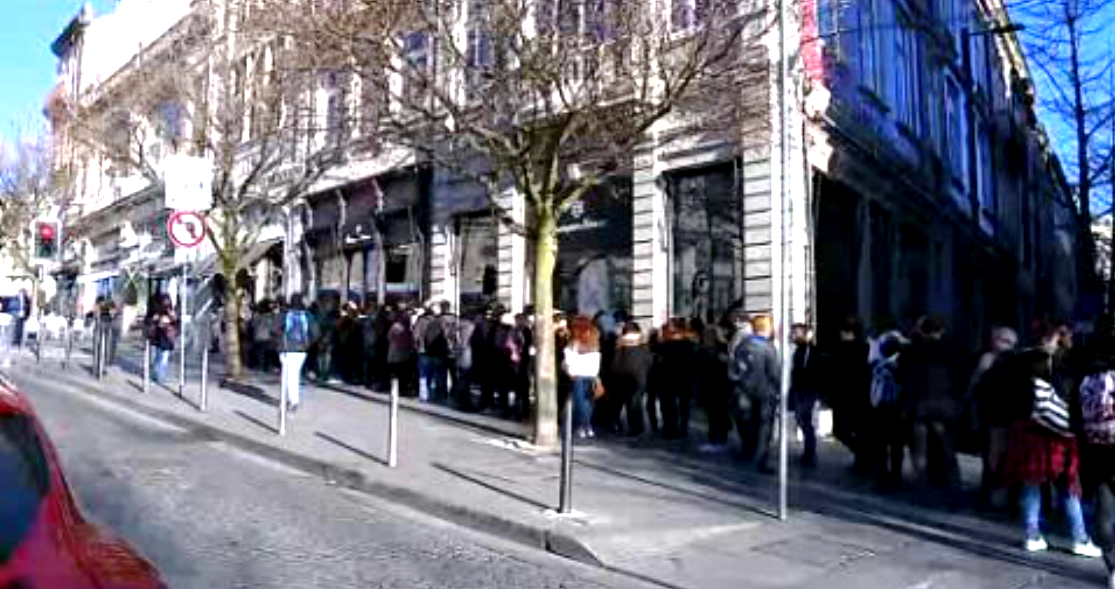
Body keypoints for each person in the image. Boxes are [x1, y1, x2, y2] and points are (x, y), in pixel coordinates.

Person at [1002, 322, 1100, 558]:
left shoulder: (1020, 361)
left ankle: (1032, 535)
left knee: (1032, 484)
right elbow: (1074, 399)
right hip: (1059, 433)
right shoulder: (1066, 365)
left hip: (1028, 430)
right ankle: (1079, 538)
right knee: (1068, 486)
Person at [899, 316, 962, 488]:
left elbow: (901, 375)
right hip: (946, 404)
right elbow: (960, 375)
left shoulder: (911, 350)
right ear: (942, 331)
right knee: (946, 446)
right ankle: (952, 480)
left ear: (921, 331)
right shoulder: (951, 350)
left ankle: (922, 480)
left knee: (919, 447)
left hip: (918, 404)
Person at [968, 326, 1019, 508]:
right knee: (1005, 453)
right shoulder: (1019, 359)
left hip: (996, 413)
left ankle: (996, 492)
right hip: (1010, 413)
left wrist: (969, 399)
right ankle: (1004, 493)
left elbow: (974, 383)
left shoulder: (988, 359)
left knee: (994, 454)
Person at [734, 315, 781, 472]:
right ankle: (761, 460)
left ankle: (747, 451)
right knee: (764, 427)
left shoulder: (742, 345)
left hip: (744, 390)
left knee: (747, 423)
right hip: (765, 393)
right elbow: (774, 372)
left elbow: (735, 369)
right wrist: (779, 389)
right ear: (766, 328)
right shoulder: (768, 347)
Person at [829, 316, 871, 474]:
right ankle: (863, 457)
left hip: (846, 397)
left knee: (842, 430)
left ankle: (863, 458)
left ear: (847, 332)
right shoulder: (865, 348)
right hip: (859, 397)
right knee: (859, 431)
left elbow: (837, 374)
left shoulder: (841, 350)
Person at [870, 334, 905, 490]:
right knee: (888, 444)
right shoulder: (881, 364)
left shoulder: (889, 364)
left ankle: (887, 476)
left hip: (889, 406)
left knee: (885, 444)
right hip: (888, 407)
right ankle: (889, 476)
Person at [656, 318, 698, 439]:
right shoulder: (690, 342)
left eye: (671, 325)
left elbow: (660, 361)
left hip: (671, 377)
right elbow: (694, 360)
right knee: (683, 404)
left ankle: (672, 429)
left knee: (672, 404)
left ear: (675, 327)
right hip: (685, 377)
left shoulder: (666, 343)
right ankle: (682, 428)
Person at [610, 322, 654, 437]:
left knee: (630, 401)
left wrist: (617, 375)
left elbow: (615, 363)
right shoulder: (643, 342)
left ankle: (635, 427)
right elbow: (649, 360)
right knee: (636, 401)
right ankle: (638, 426)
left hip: (625, 377)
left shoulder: (620, 343)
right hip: (640, 376)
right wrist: (645, 371)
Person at [697, 317, 733, 453]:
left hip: (719, 386)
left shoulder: (722, 349)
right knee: (713, 415)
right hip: (709, 385)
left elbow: (725, 367)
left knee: (719, 413)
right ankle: (714, 440)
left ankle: (720, 441)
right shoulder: (704, 350)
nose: (704, 336)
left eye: (707, 334)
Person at [563, 316, 601, 439]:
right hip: (592, 375)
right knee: (588, 403)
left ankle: (581, 427)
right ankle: (588, 427)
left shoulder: (574, 342)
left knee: (579, 403)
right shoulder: (594, 339)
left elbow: (569, 361)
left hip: (577, 375)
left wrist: (566, 368)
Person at [790, 323, 821, 467]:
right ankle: (809, 452)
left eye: (795, 333)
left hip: (806, 391)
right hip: (801, 390)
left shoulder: (809, 350)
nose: (792, 335)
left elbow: (809, 371)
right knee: (802, 420)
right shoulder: (799, 349)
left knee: (804, 421)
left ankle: (810, 453)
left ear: (804, 334)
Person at [279, 295, 316, 413]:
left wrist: (278, 343)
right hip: (302, 350)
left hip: (287, 348)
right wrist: (308, 344)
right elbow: (316, 332)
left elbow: (274, 329)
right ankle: (293, 399)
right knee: (295, 374)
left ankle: (293, 401)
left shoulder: (285, 315)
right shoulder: (308, 315)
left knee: (289, 374)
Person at [145, 294, 177, 385]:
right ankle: (157, 376)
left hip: (167, 338)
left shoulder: (171, 311)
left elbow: (176, 322)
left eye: (167, 302)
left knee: (163, 359)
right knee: (159, 358)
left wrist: (171, 318)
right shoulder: (158, 312)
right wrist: (158, 320)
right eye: (165, 302)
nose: (166, 304)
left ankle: (159, 377)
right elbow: (150, 321)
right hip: (160, 338)